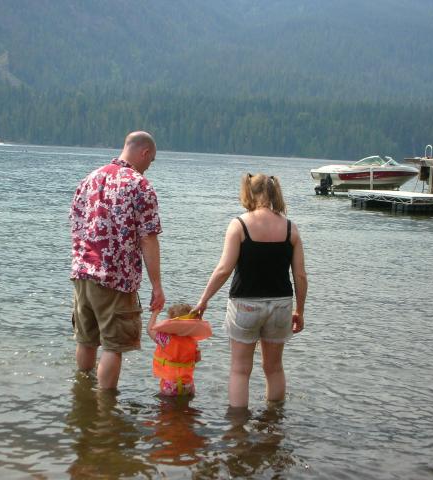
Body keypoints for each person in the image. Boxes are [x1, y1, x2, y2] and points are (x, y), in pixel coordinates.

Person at [193, 173, 307, 408]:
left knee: (240, 370)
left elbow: (224, 269)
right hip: (281, 304)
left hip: (245, 304)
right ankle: (274, 419)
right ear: (274, 193)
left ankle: (237, 424)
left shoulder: (240, 225)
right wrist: (300, 310)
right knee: (274, 368)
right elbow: (300, 276)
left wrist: (203, 300)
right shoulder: (290, 229)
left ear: (249, 193)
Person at [69, 131, 165, 389]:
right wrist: (157, 286)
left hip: (82, 274)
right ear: (144, 152)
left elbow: (76, 226)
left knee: (86, 340)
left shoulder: (89, 179)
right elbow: (148, 239)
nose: (149, 166)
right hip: (116, 279)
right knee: (113, 347)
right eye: (151, 160)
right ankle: (106, 404)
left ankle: (83, 396)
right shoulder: (140, 185)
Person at [147, 304, 212, 397]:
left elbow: (149, 330)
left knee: (166, 405)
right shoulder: (193, 341)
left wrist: (155, 313)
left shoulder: (165, 339)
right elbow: (197, 359)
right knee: (186, 404)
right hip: (188, 383)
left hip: (170, 384)